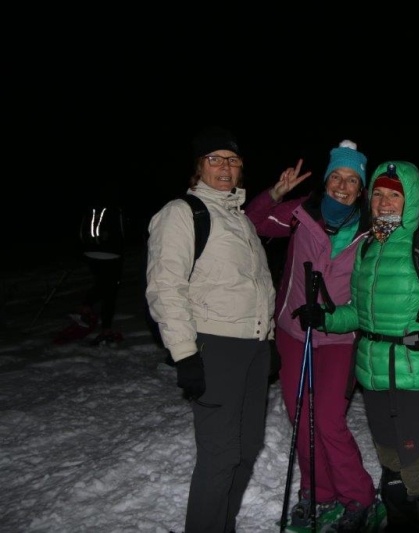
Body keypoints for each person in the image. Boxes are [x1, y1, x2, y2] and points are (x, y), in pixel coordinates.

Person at [296, 161, 419, 531]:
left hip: (413, 374)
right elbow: (359, 313)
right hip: (372, 375)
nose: (384, 202)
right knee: (390, 464)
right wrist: (325, 317)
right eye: (378, 194)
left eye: (394, 195)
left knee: (415, 467)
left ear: (411, 200)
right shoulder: (367, 247)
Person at [145, 126, 276, 533]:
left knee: (248, 448)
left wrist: (268, 337)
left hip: (253, 347)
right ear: (199, 166)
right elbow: (165, 286)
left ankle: (223, 524)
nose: (225, 167)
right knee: (220, 455)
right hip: (215, 347)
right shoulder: (182, 212)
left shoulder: (240, 219)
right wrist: (184, 353)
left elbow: (257, 284)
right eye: (214, 159)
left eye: (232, 160)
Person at [246, 140, 378, 532]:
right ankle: (318, 493)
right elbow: (253, 223)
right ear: (326, 180)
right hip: (294, 333)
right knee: (302, 417)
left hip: (341, 338)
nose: (342, 186)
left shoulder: (370, 231)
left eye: (352, 180)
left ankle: (360, 497)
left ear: (361, 188)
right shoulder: (302, 213)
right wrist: (274, 194)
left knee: (329, 420)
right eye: (336, 176)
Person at [54, 202, 127, 346]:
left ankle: (86, 309)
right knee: (110, 291)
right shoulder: (115, 208)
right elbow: (123, 232)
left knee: (102, 284)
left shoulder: (92, 207)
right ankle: (101, 325)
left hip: (91, 252)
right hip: (111, 253)